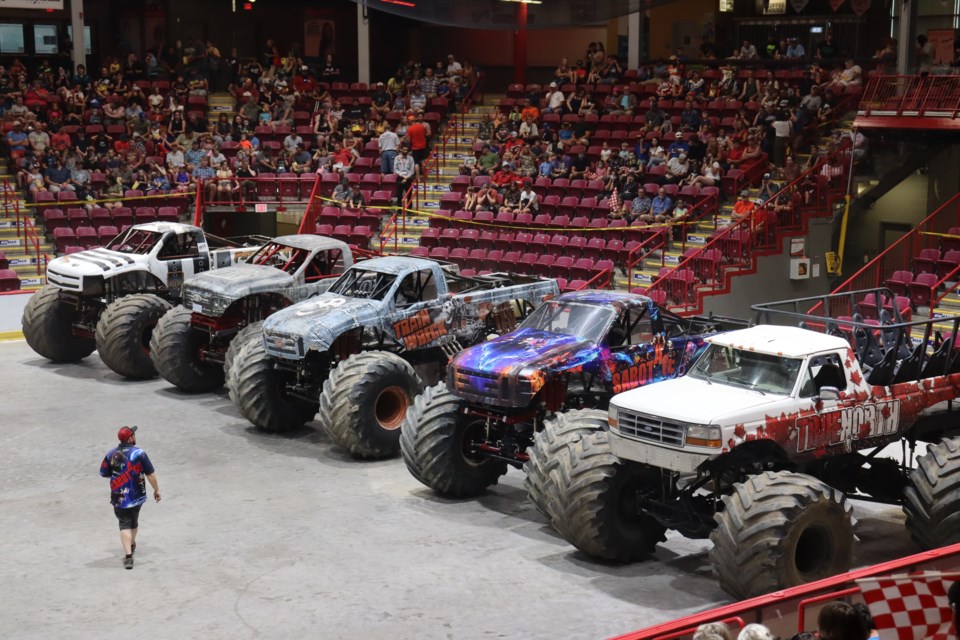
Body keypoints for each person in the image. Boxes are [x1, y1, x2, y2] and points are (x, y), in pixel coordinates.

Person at [99, 426, 161, 570]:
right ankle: (132, 543)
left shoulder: (111, 453)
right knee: (133, 521)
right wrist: (156, 489)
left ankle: (128, 557)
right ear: (130, 438)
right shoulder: (139, 453)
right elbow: (150, 474)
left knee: (123, 523)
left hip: (118, 496)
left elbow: (104, 473)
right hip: (136, 494)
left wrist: (118, 476)